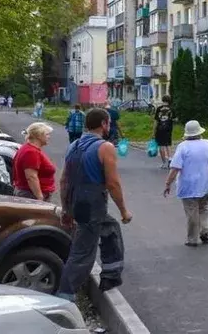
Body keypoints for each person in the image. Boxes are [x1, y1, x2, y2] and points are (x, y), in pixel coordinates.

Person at [57, 108, 132, 302]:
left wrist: (66, 208)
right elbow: (113, 183)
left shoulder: (74, 145)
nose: (109, 126)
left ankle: (110, 275)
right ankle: (65, 297)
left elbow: (64, 180)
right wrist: (124, 210)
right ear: (104, 124)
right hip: (91, 204)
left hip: (75, 200)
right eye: (108, 123)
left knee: (110, 228)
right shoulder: (105, 147)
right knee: (83, 253)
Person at [163, 120, 208, 247]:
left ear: (187, 134)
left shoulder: (183, 147)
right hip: (205, 184)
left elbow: (175, 168)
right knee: (203, 208)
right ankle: (205, 230)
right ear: (200, 132)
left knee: (192, 212)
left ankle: (192, 239)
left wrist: (168, 183)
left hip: (188, 186)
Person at [12, 122, 57, 201]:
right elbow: (31, 177)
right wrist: (39, 197)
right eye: (47, 134)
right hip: (31, 195)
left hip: (30, 193)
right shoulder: (31, 152)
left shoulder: (28, 148)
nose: (49, 137)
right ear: (39, 136)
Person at [152, 96, 176, 170]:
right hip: (168, 129)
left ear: (163, 100)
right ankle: (170, 159)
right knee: (168, 144)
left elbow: (156, 121)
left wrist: (153, 131)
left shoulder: (159, 109)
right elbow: (175, 119)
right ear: (169, 100)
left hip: (160, 129)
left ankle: (164, 162)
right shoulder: (172, 109)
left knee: (161, 145)